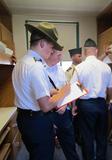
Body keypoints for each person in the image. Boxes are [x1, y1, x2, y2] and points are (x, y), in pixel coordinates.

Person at [12, 22, 70, 160]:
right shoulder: (36, 66)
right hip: (36, 121)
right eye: (51, 47)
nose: (52, 51)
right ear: (42, 43)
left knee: (35, 154)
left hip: (24, 119)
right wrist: (64, 92)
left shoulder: (21, 62)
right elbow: (45, 106)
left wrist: (51, 91)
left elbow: (27, 88)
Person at [71, 38, 112, 160]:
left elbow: (75, 88)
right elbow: (110, 88)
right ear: (96, 51)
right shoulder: (106, 67)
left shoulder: (80, 67)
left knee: (87, 136)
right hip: (101, 104)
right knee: (101, 136)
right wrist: (107, 101)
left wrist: (74, 105)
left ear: (85, 52)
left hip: (85, 105)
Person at [46, 50, 80, 160]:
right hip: (48, 114)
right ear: (50, 54)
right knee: (48, 148)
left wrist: (65, 105)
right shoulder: (40, 70)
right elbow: (39, 96)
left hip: (64, 113)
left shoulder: (61, 70)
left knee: (70, 145)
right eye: (58, 55)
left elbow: (66, 89)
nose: (61, 58)